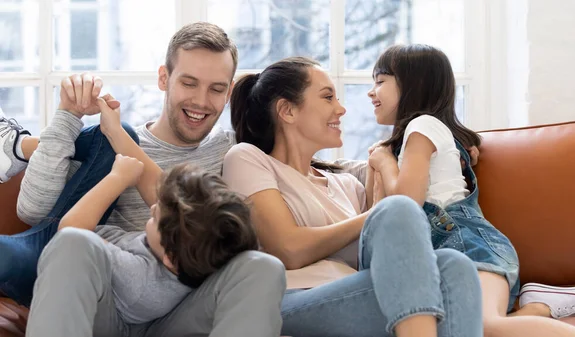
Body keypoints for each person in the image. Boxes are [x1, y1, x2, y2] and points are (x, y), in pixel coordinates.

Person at [0, 22, 286, 337]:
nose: (201, 101)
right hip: (109, 309)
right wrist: (67, 116)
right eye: (189, 83)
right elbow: (36, 215)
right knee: (73, 242)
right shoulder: (109, 148)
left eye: (216, 88)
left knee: (263, 267)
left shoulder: (239, 153)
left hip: (188, 312)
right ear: (164, 78)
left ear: (229, 91)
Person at [222, 56, 483, 337]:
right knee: (397, 208)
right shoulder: (248, 159)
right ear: (287, 110)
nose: (341, 109)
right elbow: (288, 249)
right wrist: (373, 216)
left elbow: (397, 163)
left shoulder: (345, 181)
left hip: (357, 292)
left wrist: (456, 143)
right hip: (291, 298)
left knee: (455, 267)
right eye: (327, 97)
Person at [365, 43, 575, 337]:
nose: (371, 92)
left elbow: (406, 205)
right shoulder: (411, 141)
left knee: (485, 326)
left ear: (414, 84)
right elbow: (380, 220)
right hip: (442, 257)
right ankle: (538, 306)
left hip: (468, 245)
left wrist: (384, 163)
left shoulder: (422, 127)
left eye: (380, 81)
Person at [28, 148, 264, 336]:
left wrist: (118, 177)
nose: (152, 207)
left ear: (170, 259)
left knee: (66, 242)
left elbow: (71, 233)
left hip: (65, 266)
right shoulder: (196, 255)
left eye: (154, 218)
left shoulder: (143, 281)